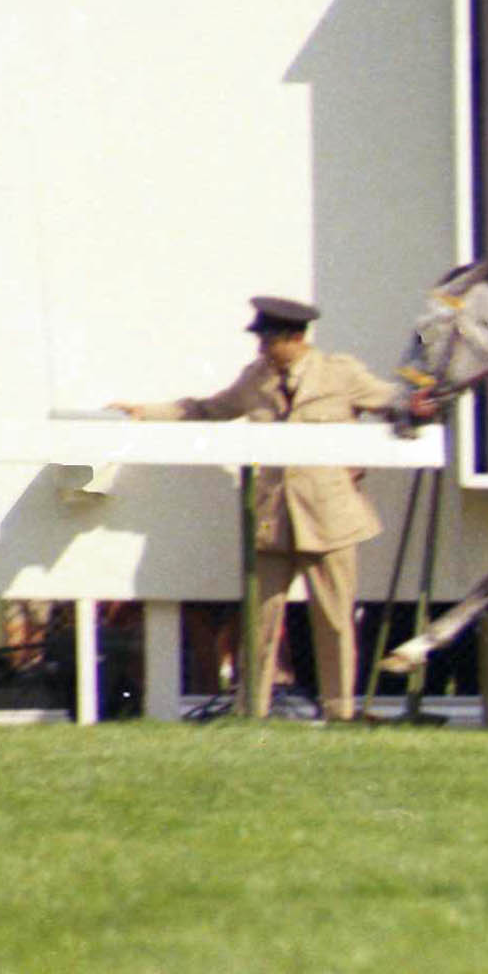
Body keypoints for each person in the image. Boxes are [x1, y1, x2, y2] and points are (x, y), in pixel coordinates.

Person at [115, 295, 395, 720]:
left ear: (295, 338)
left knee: (335, 621)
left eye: (269, 340)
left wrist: (425, 403)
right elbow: (208, 409)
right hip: (274, 518)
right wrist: (145, 412)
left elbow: (392, 401)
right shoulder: (256, 378)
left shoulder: (341, 374)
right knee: (258, 622)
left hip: (331, 517)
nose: (262, 349)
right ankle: (251, 709)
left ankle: (341, 711)